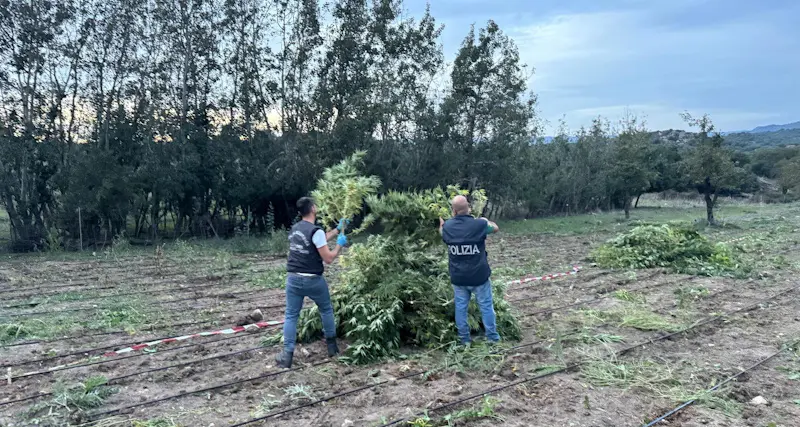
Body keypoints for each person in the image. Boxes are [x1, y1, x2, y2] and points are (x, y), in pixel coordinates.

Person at [276, 197, 348, 368]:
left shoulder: (295, 229)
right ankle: (332, 347)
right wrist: (339, 246)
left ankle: (286, 357)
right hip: (313, 280)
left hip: (293, 279)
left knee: (291, 315)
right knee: (326, 310)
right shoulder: (316, 231)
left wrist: (337, 230)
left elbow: (318, 239)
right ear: (313, 209)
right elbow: (328, 258)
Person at [439, 195, 500, 345]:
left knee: (460, 308)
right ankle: (492, 338)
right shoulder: (478, 224)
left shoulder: (447, 227)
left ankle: (464, 340)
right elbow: (495, 228)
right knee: (486, 306)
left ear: (453, 210)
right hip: (479, 276)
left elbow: (441, 232)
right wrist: (486, 220)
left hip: (459, 277)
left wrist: (441, 225)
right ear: (469, 207)